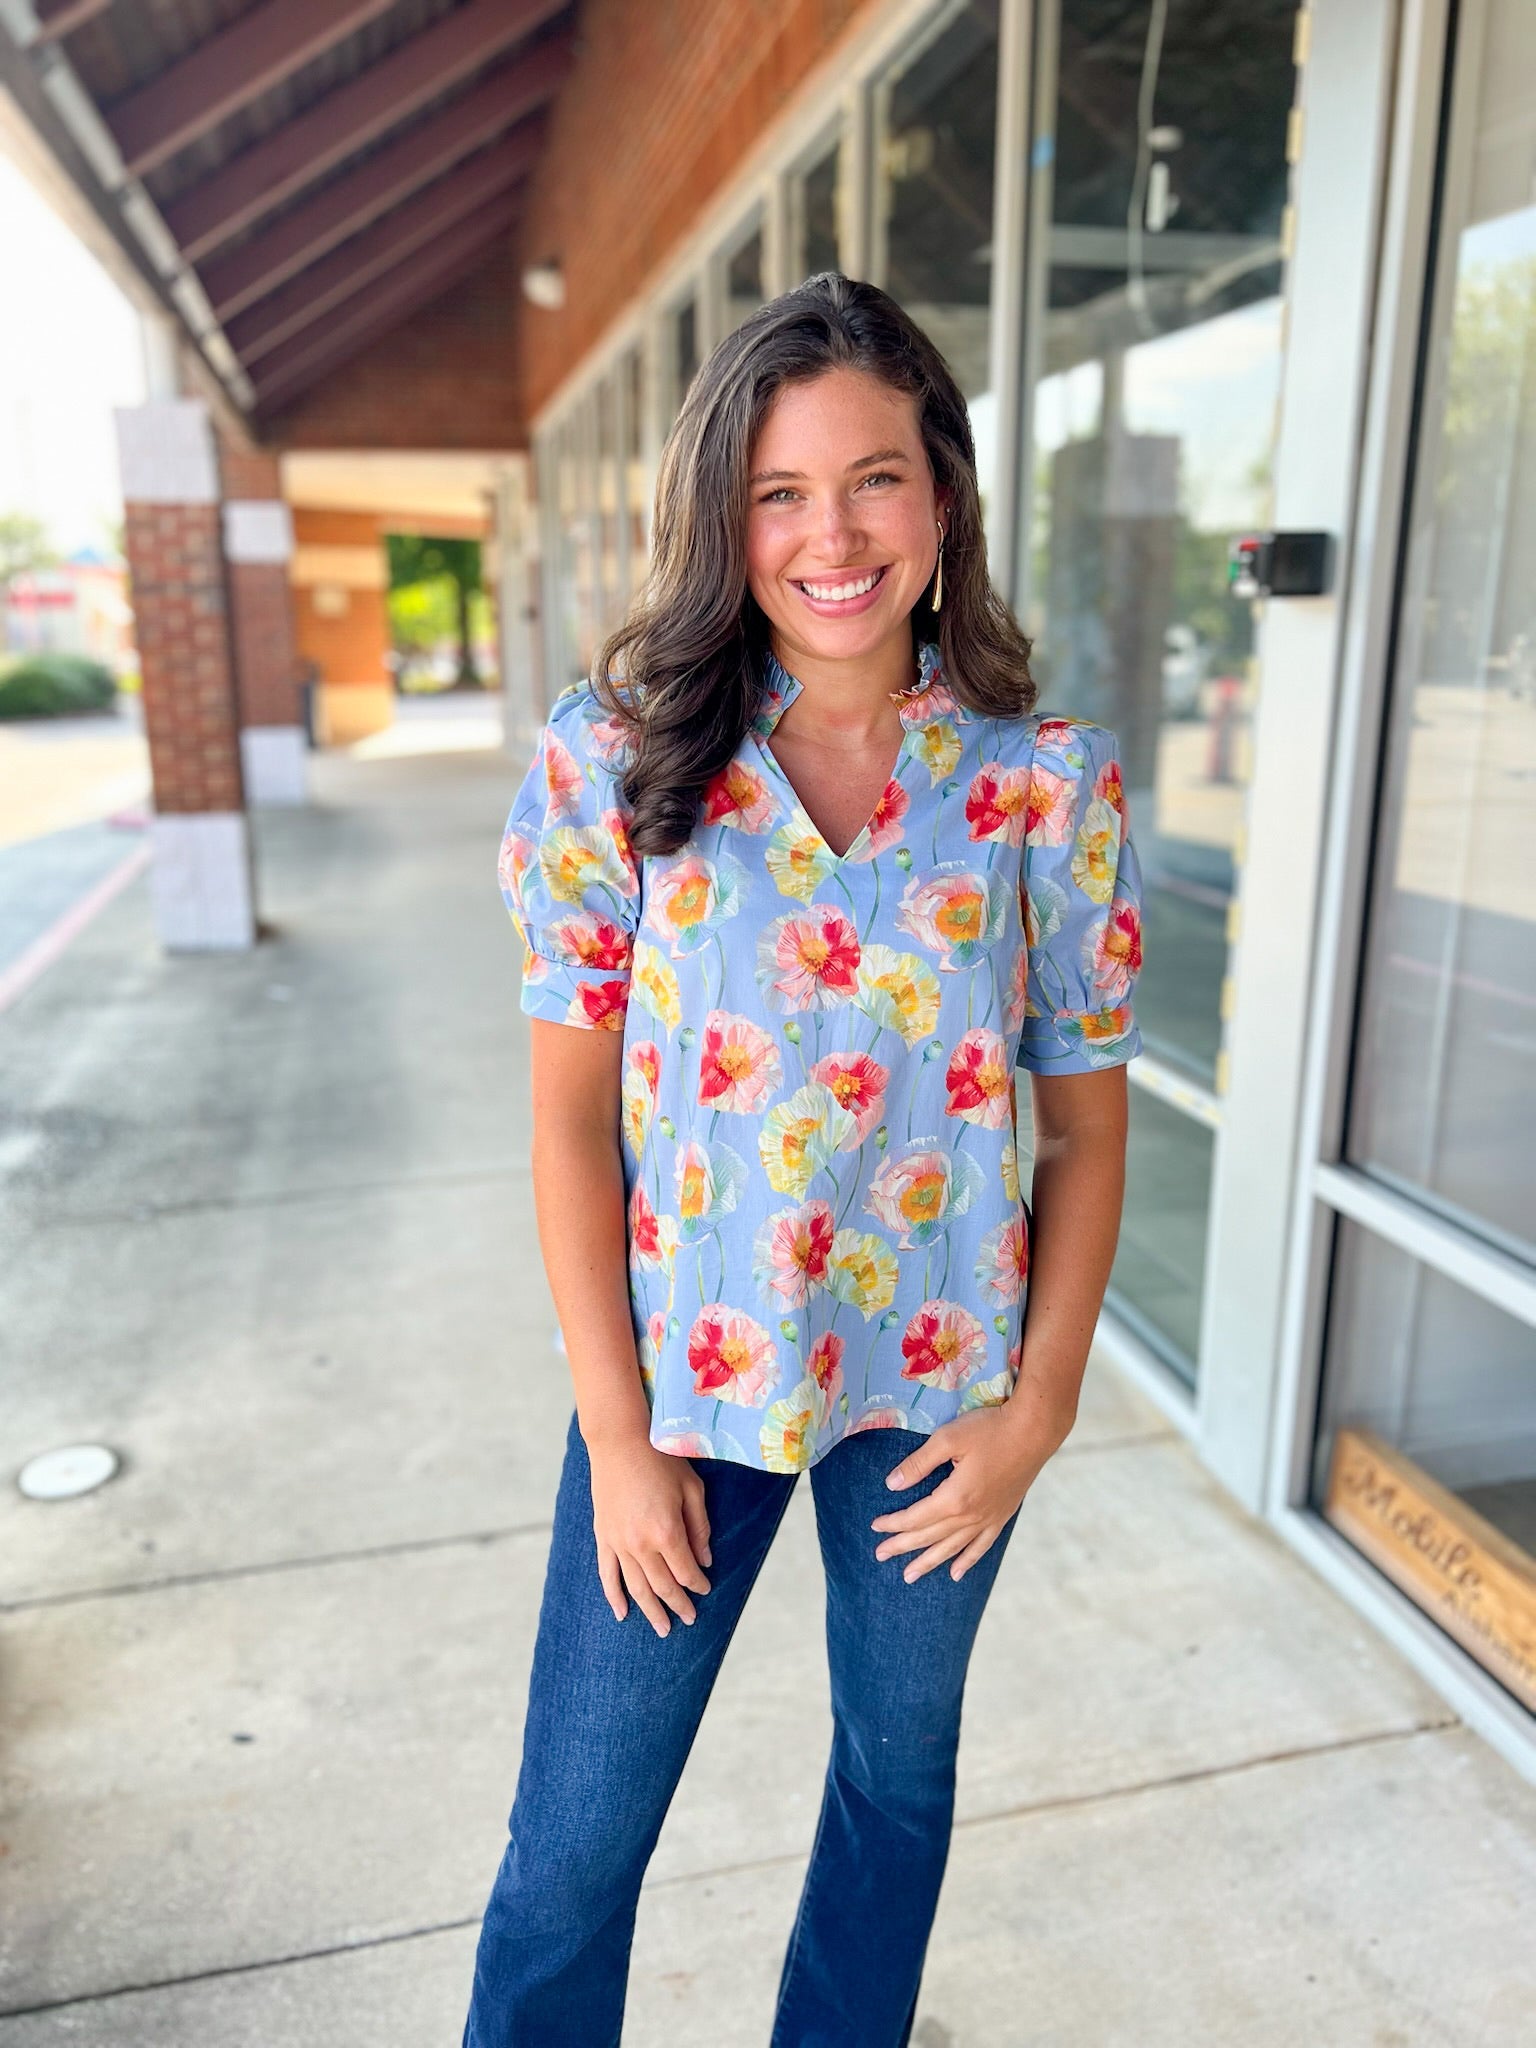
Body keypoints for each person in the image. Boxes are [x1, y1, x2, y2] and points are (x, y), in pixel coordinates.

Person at [463, 272, 1145, 2047]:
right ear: (723, 517)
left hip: (941, 1394)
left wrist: (1041, 1406)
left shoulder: (1040, 785)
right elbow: (564, 1115)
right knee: (571, 1853)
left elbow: (1083, 1120)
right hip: (683, 1391)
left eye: (875, 478)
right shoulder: (617, 765)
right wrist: (618, 1439)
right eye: (779, 492)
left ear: (943, 500)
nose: (830, 534)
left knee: (894, 1790)